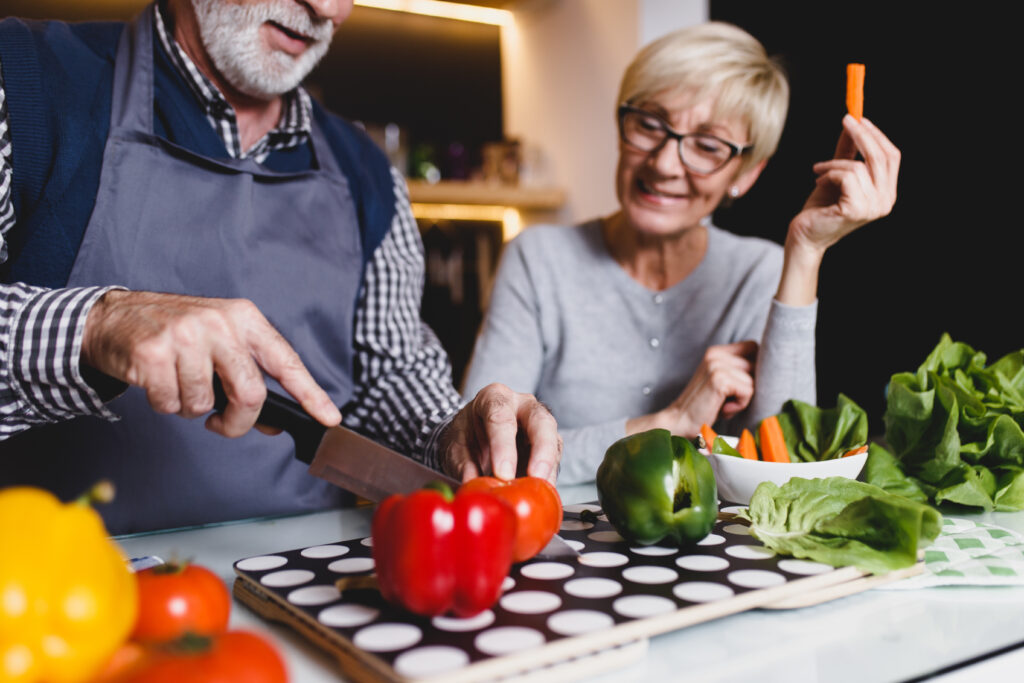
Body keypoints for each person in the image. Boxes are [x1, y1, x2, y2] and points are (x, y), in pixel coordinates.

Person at [0, 0, 560, 534]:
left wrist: (451, 432)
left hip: (305, 588)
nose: (327, 10)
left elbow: (388, 372)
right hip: (59, 590)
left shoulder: (366, 171)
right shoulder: (25, 82)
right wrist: (97, 325)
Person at [461, 21, 900, 484]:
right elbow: (482, 455)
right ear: (621, 124)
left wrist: (807, 250)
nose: (665, 164)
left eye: (708, 146)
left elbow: (782, 466)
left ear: (745, 174)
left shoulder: (759, 270)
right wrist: (669, 422)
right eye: (649, 125)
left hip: (707, 553)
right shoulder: (537, 259)